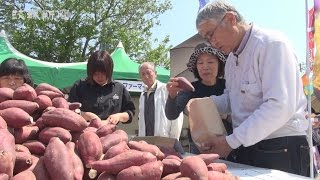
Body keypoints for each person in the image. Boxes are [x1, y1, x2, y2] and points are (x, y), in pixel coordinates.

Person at [193, 0, 310, 176]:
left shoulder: (272, 44)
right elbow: (231, 99)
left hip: (280, 146)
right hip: (248, 145)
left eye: (211, 34)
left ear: (231, 19)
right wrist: (203, 104)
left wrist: (231, 141)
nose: (211, 42)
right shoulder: (232, 59)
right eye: (206, 38)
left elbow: (279, 105)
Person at [165, 43, 227, 153]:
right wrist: (172, 95)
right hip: (199, 145)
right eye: (200, 63)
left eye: (210, 62)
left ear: (220, 64)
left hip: (227, 142)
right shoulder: (190, 88)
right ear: (196, 67)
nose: (205, 66)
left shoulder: (228, 86)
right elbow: (171, 114)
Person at [68, 50, 135, 125]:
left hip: (110, 132)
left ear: (109, 71)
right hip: (84, 130)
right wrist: (86, 115)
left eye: (104, 73)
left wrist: (119, 116)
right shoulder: (79, 86)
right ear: (90, 72)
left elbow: (130, 112)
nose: (100, 77)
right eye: (96, 73)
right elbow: (70, 110)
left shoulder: (119, 88)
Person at [138, 62, 183, 140]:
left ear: (155, 73)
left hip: (164, 139)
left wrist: (173, 140)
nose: (146, 76)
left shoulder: (166, 90)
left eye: (148, 72)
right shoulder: (143, 94)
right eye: (143, 74)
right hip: (146, 140)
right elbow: (141, 120)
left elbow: (177, 116)